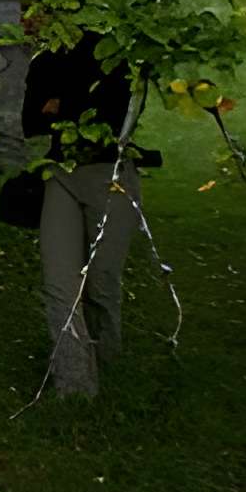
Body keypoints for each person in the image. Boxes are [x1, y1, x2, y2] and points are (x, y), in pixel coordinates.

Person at [18, 21, 150, 397]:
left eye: (33, 14)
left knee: (102, 281)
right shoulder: (42, 62)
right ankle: (74, 385)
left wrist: (62, 105)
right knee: (60, 283)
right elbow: (31, 121)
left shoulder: (105, 51)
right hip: (61, 174)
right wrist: (70, 107)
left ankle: (108, 361)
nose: (27, 24)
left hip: (111, 176)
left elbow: (112, 114)